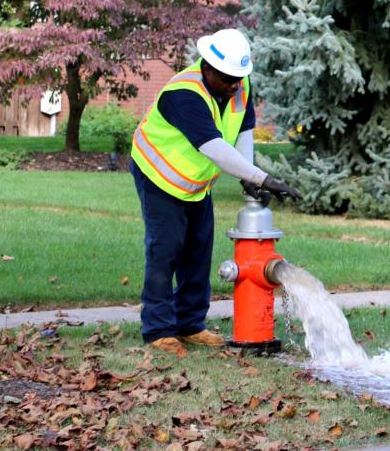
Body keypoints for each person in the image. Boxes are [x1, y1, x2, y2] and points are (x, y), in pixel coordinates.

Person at [129, 28, 301, 357]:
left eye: (240, 77)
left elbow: (244, 128)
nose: (235, 85)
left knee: (198, 249)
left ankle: (191, 325)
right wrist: (261, 177)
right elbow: (215, 149)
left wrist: (248, 177)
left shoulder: (239, 83)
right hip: (158, 175)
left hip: (194, 182)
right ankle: (159, 329)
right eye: (228, 78)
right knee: (165, 251)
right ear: (207, 68)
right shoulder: (183, 94)